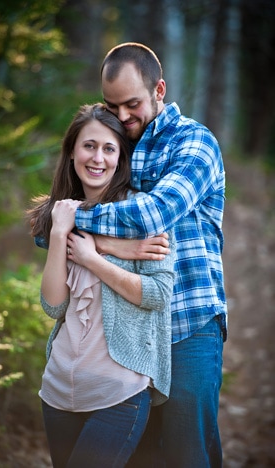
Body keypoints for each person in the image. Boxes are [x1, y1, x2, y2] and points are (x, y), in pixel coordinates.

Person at [76, 43, 227, 466]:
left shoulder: (195, 142)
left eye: (132, 104)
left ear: (159, 89)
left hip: (188, 325)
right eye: (111, 105)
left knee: (186, 454)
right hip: (127, 334)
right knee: (137, 457)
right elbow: (49, 225)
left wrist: (95, 239)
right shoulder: (112, 145)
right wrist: (72, 224)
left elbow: (155, 212)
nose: (122, 117)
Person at [29, 103, 176, 466]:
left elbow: (158, 295)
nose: (98, 158)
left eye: (109, 148)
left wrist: (93, 258)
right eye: (89, 146)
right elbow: (54, 306)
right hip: (59, 391)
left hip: (120, 393)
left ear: (120, 158)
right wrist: (61, 231)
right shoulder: (60, 214)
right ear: (72, 152)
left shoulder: (145, 213)